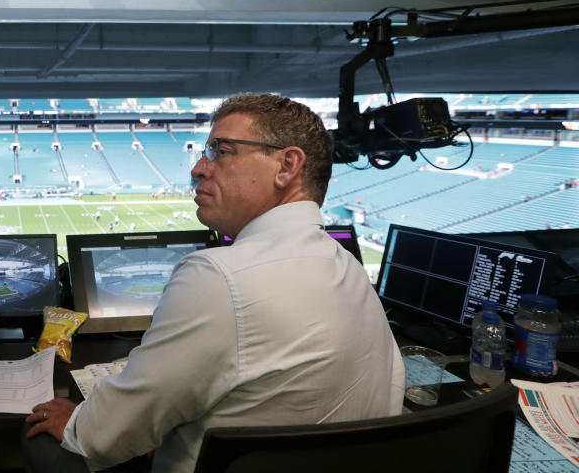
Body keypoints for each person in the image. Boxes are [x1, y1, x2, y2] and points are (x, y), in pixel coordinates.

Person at [23, 93, 403, 473]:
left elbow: (106, 433)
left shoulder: (218, 276)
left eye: (221, 151)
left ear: (287, 165)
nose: (199, 168)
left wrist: (77, 423)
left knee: (46, 444)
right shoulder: (350, 269)